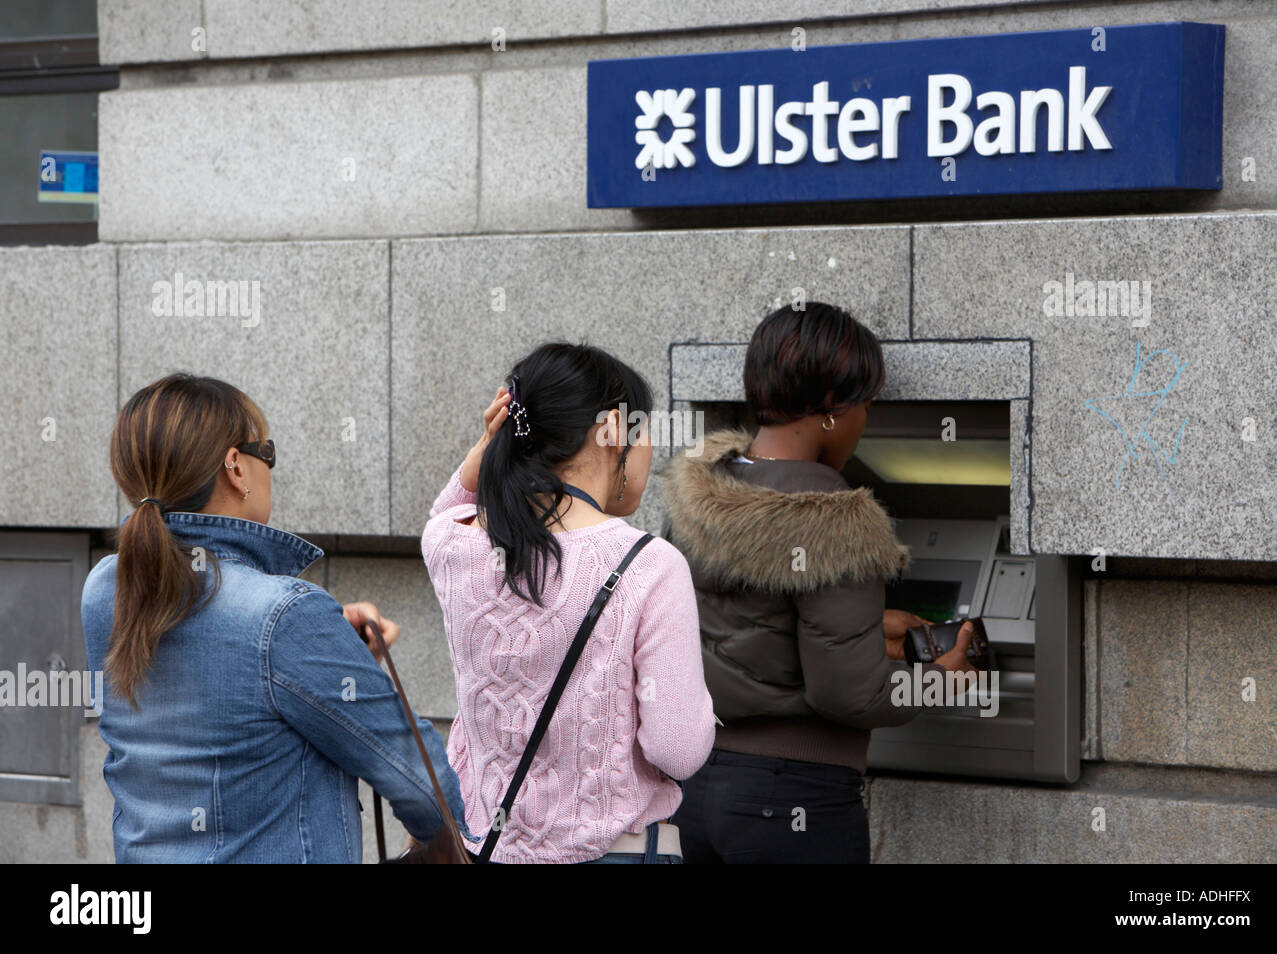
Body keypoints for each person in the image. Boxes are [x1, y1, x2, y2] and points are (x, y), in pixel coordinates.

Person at [82, 372, 472, 862]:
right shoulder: (285, 615)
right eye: (266, 453)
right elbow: (418, 780)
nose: (269, 468)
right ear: (235, 468)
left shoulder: (104, 589)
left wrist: (331, 650)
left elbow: (214, 671)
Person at [663, 302, 978, 864]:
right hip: (793, 802)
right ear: (835, 408)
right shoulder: (837, 517)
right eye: (867, 404)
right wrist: (938, 680)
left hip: (696, 793)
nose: (866, 420)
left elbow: (734, 622)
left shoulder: (697, 495)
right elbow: (846, 693)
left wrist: (866, 627)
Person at [421, 342, 715, 864]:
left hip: (485, 849)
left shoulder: (453, 544)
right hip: (613, 854)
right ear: (613, 432)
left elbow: (445, 513)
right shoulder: (649, 564)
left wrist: (487, 447)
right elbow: (677, 749)